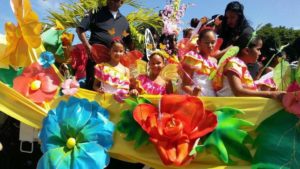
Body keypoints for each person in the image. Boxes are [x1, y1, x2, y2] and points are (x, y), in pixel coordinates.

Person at [76, 0, 133, 90]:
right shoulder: (95, 12)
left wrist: (134, 58)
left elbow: (128, 41)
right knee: (92, 90)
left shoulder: (124, 21)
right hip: (95, 61)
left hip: (116, 68)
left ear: (121, 2)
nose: (111, 1)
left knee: (113, 92)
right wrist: (88, 47)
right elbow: (80, 29)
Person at [212, 35, 285, 100]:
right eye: (258, 49)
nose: (260, 53)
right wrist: (271, 94)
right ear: (246, 50)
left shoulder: (240, 64)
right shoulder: (234, 63)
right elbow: (238, 91)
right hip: (228, 107)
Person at [178, 29, 218, 96]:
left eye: (213, 42)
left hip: (211, 97)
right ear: (199, 42)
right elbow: (184, 85)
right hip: (194, 98)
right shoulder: (192, 58)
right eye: (207, 43)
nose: (210, 45)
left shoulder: (214, 61)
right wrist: (195, 94)